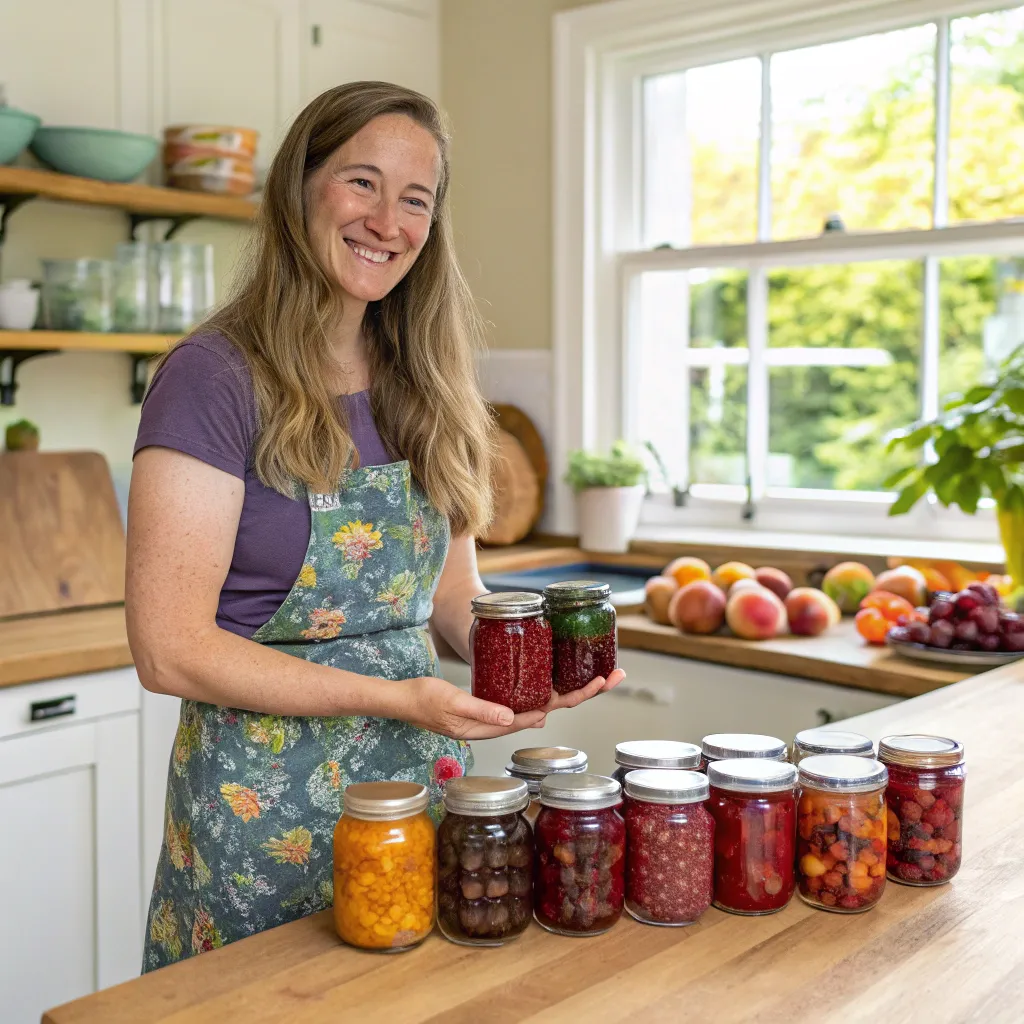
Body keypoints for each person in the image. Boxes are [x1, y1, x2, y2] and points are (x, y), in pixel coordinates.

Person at [127, 81, 625, 969]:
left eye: (415, 199)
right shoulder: (212, 378)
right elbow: (169, 648)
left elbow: (449, 597)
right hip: (259, 817)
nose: (386, 220)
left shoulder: (425, 382)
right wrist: (397, 697)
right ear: (300, 188)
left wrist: (525, 666)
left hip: (414, 799)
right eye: (361, 182)